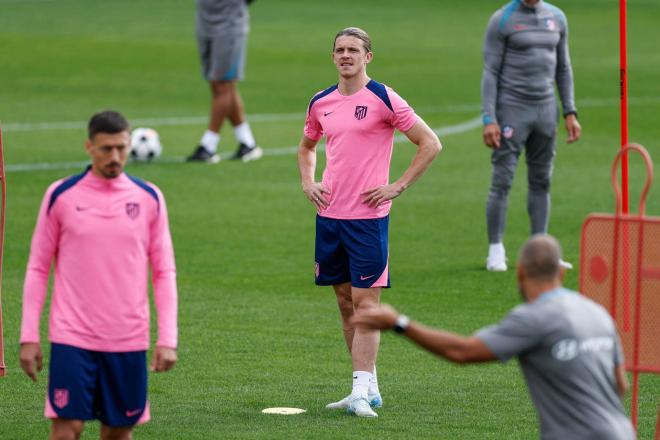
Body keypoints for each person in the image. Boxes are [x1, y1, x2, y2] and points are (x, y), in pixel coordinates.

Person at [353, 235, 635, 439]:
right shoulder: (597, 313)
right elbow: (620, 385)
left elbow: (463, 352)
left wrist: (399, 323)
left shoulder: (533, 318)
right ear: (561, 272)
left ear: (521, 272)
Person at [297, 27, 442, 418]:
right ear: (333, 57)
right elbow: (308, 146)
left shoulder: (383, 98)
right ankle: (367, 387)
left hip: (367, 220)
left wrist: (398, 185)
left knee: (366, 305)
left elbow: (430, 142)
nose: (346, 56)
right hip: (329, 218)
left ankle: (359, 389)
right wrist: (309, 182)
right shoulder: (320, 102)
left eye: (353, 50)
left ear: (368, 57)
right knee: (345, 303)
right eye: (340, 50)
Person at [19, 111, 178, 440]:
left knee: (118, 433)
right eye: (106, 149)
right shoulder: (60, 196)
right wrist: (29, 335)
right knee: (65, 430)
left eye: (121, 148)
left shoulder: (148, 198)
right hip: (71, 336)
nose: (115, 157)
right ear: (89, 146)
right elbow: (37, 267)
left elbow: (164, 272)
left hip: (128, 338)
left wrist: (167, 339)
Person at [481, 0, 582, 271]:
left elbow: (563, 67)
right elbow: (490, 71)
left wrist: (570, 111)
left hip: (546, 111)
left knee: (542, 181)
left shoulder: (557, 17)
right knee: (502, 181)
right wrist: (489, 118)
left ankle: (541, 251)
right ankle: (496, 250)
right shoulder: (502, 19)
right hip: (512, 111)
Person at [187, 0, 263, 163]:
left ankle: (209, 146)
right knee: (220, 85)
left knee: (222, 84)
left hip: (229, 25)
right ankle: (247, 142)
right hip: (204, 21)